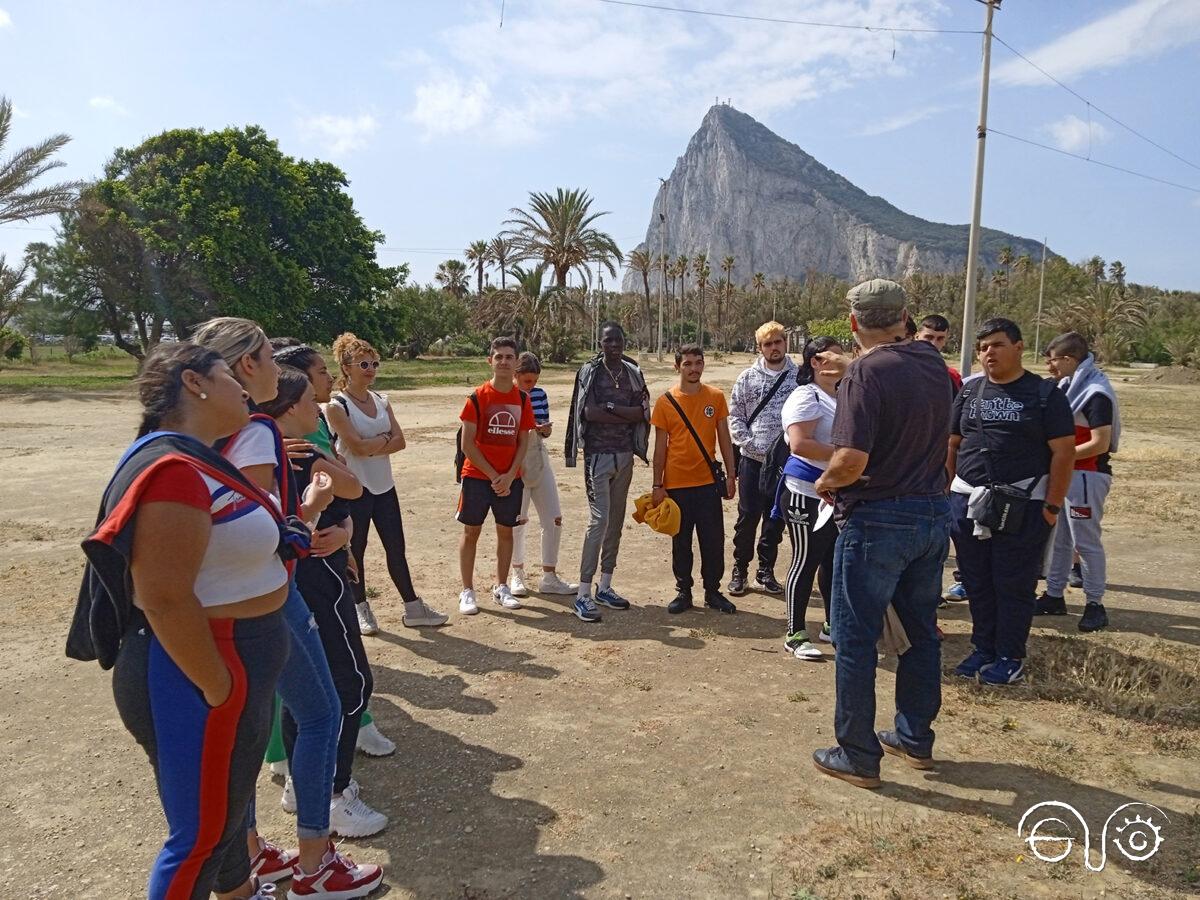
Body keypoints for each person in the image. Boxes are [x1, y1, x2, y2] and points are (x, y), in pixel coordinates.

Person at [75, 342, 290, 899]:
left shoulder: (196, 457)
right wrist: (219, 687)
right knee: (199, 837)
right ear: (195, 383)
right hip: (194, 673)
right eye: (228, 375)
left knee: (223, 822)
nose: (243, 386)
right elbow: (163, 597)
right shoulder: (173, 469)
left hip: (221, 666)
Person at [194, 318, 381, 897]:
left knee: (246, 730)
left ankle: (255, 855)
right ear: (247, 368)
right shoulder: (254, 433)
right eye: (269, 360)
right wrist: (315, 508)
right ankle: (314, 860)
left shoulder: (205, 431)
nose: (282, 369)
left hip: (236, 600)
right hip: (268, 597)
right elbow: (262, 530)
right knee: (320, 712)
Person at [809, 279, 953, 790]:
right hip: (933, 515)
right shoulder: (934, 363)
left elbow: (849, 461)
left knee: (854, 638)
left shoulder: (866, 373)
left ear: (853, 323)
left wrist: (824, 483)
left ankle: (857, 754)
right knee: (919, 632)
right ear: (905, 316)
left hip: (878, 522)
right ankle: (915, 738)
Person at [260, 369, 389, 839]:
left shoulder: (257, 450)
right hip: (316, 581)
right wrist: (320, 464)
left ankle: (301, 781)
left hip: (302, 580)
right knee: (349, 684)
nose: (318, 404)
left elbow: (349, 496)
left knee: (304, 690)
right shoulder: (293, 453)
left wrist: (348, 533)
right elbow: (352, 487)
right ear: (289, 405)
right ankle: (333, 793)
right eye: (308, 397)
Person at [272, 341, 396, 759]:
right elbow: (348, 479)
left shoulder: (314, 425)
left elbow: (342, 491)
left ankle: (351, 731)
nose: (328, 379)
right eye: (320, 373)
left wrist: (343, 532)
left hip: (328, 549)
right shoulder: (285, 444)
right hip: (304, 566)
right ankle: (318, 776)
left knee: (327, 664)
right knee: (325, 667)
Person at [947, 318, 1075, 686]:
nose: (989, 353)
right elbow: (953, 443)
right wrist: (951, 490)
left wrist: (1051, 507)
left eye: (997, 345)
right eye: (983, 347)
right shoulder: (970, 392)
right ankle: (983, 648)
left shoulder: (1045, 395)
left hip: (1023, 508)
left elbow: (1063, 454)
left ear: (1019, 348)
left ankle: (1009, 654)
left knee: (1013, 584)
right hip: (968, 504)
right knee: (977, 581)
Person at [326, 332, 447, 632]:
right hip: (356, 487)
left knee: (396, 548)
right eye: (363, 363)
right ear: (346, 367)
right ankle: (361, 608)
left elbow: (401, 441)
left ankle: (413, 607)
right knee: (358, 548)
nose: (370, 369)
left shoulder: (382, 400)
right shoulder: (336, 405)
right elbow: (356, 447)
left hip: (384, 485)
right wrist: (383, 440)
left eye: (375, 364)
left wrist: (373, 443)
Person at [564, 322, 651, 623]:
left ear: (624, 342)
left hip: (625, 456)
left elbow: (641, 412)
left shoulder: (632, 373)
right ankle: (583, 594)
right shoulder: (590, 372)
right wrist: (621, 413)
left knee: (615, 520)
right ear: (600, 343)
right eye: (608, 340)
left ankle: (606, 586)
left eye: (618, 339)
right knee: (599, 520)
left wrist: (611, 408)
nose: (614, 344)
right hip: (597, 458)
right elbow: (588, 413)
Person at [1038, 331, 1120, 632]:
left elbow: (1101, 443)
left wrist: (1062, 456)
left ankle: (1095, 603)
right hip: (1067, 474)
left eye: (1053, 361)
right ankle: (1054, 595)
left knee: (1085, 542)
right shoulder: (1069, 387)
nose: (1050, 367)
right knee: (1060, 540)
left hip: (1087, 477)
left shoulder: (1096, 393)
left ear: (1070, 359)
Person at [650, 344, 738, 615]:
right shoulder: (666, 401)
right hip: (676, 485)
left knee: (713, 541)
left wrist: (732, 476)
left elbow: (725, 439)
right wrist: (657, 485)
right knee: (681, 542)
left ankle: (713, 591)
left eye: (698, 363)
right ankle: (683, 591)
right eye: (687, 363)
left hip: (708, 484)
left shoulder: (716, 397)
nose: (694, 368)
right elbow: (660, 448)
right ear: (677, 366)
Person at [774, 337, 845, 659]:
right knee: (806, 559)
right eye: (836, 356)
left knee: (832, 560)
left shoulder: (843, 395)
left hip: (836, 491)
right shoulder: (807, 396)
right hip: (805, 492)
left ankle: (832, 625)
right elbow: (800, 444)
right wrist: (848, 456)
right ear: (816, 362)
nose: (843, 362)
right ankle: (795, 632)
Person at [456, 336, 537, 615]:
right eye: (498, 356)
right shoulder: (477, 397)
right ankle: (467, 590)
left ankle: (501, 586)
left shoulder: (523, 399)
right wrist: (494, 476)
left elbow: (523, 440)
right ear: (490, 360)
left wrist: (510, 473)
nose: (503, 361)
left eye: (509, 357)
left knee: (506, 533)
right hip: (478, 477)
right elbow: (467, 445)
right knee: (471, 532)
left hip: (509, 479)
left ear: (516, 363)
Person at [727, 321, 796, 597]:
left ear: (785, 343)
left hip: (785, 464)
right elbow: (735, 416)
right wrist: (748, 443)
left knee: (775, 518)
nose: (774, 348)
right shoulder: (747, 378)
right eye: (768, 344)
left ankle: (765, 571)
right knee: (747, 517)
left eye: (778, 342)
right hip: (753, 461)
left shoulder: (799, 376)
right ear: (760, 348)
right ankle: (740, 569)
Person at [508, 352, 579, 597]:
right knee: (518, 520)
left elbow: (544, 430)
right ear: (515, 376)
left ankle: (549, 576)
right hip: (514, 461)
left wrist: (544, 430)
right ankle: (516, 574)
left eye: (535, 380)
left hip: (538, 455)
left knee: (554, 518)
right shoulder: (507, 396)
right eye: (527, 381)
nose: (532, 386)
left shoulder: (539, 395)